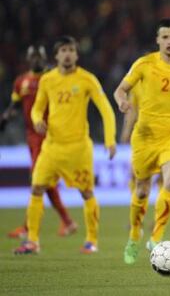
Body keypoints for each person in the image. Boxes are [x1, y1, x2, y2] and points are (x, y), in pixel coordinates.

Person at [114, 18, 170, 265]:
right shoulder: (144, 64)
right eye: (164, 37)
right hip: (145, 136)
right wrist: (122, 102)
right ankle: (135, 235)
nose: (169, 41)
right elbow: (120, 90)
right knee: (142, 189)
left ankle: (156, 236)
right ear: (157, 40)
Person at [13, 36, 116, 255]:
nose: (67, 54)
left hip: (78, 149)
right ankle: (32, 241)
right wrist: (37, 120)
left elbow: (106, 109)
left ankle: (91, 240)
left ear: (76, 55)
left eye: (71, 50)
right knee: (36, 188)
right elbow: (37, 108)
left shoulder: (87, 79)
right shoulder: (48, 80)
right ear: (57, 55)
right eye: (63, 50)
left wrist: (109, 139)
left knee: (86, 193)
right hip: (51, 147)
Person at [0, 45, 77, 239]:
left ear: (45, 58)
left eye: (39, 56)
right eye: (32, 56)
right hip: (31, 137)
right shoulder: (21, 81)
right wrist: (6, 117)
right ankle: (67, 222)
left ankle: (29, 228)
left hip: (49, 136)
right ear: (27, 59)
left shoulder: (52, 78)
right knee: (45, 182)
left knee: (39, 179)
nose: (36, 60)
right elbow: (15, 105)